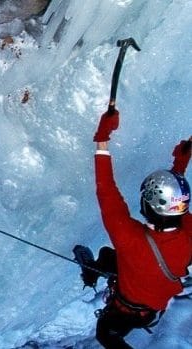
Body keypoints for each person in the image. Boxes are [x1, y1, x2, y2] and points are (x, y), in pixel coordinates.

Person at [74, 109, 191, 349]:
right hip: (148, 309)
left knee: (105, 333)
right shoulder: (187, 232)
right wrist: (179, 166)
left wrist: (102, 136)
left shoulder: (129, 238)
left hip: (126, 311)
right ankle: (92, 271)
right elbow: (175, 206)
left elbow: (106, 189)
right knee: (109, 256)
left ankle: (90, 273)